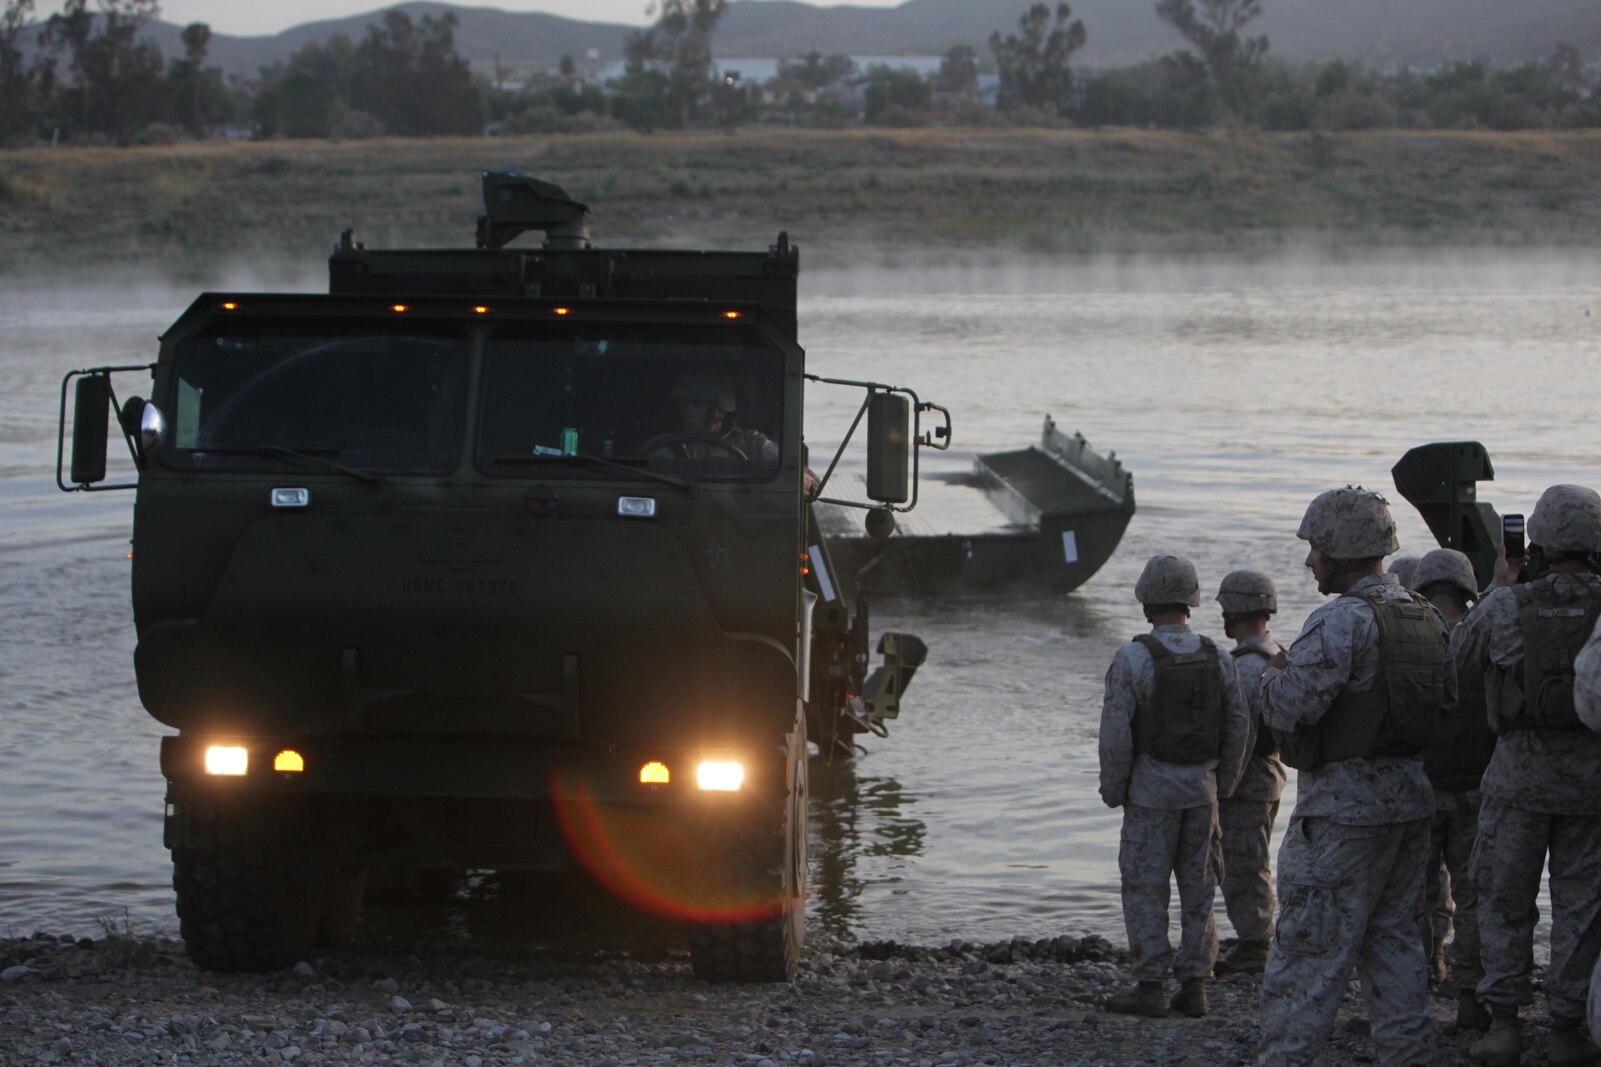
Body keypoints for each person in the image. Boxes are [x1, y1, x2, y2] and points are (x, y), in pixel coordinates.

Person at [1257, 486, 1445, 1067]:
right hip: (1408, 805)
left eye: (1316, 547)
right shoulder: (1425, 615)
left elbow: (1287, 708)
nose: (1309, 559)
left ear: (1341, 548)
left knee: (1310, 955)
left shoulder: (1341, 620)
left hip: (1343, 816)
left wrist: (1274, 672)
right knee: (1395, 947)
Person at [1452, 485, 1601, 1067]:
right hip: (1591, 781)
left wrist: (1498, 584)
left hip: (1517, 777)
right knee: (1582, 905)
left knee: (1504, 901)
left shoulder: (1507, 604)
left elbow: (1457, 663)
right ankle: (1567, 1029)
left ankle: (1506, 1026)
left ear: (1535, 539)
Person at [1099, 554, 1250, 1020]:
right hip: (1201, 793)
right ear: (1193, 599)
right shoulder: (1218, 656)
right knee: (1201, 888)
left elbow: (1116, 733)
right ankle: (1195, 985)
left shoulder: (1132, 658)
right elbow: (1239, 725)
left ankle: (1149, 985)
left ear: (1146, 600)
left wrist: (1114, 788)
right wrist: (1223, 782)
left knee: (1145, 887)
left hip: (1150, 793)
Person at [1413, 547, 1494, 1029]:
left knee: (1413, 900)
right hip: (1475, 793)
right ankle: (1470, 996)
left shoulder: (1411, 636)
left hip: (1420, 792)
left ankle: (1416, 992)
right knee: (1475, 899)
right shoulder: (1484, 635)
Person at [1212, 569, 1285, 976]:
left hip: (1246, 781)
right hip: (1266, 776)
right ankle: (1255, 937)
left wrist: (1224, 785)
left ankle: (1256, 943)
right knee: (1250, 859)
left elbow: (1241, 734)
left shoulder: (1242, 667)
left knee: (1243, 864)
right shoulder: (1273, 654)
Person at [658, 367, 778, 463]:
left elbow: (787, 470)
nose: (688, 412)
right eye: (684, 403)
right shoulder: (667, 446)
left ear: (718, 410)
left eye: (698, 404)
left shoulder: (751, 443)